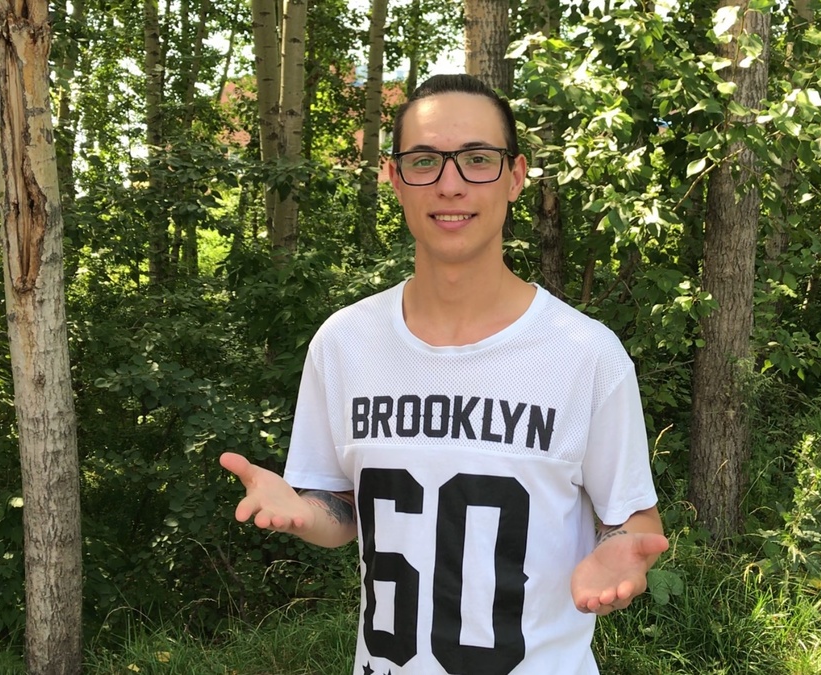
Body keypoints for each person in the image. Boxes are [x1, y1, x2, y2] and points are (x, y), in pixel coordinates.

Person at [220, 73, 668, 675]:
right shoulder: (345, 343)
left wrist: (623, 552)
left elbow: (632, 518)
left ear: (515, 176)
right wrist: (304, 513)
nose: (450, 184)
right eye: (425, 160)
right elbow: (341, 509)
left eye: (478, 159)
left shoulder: (586, 354)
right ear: (393, 176)